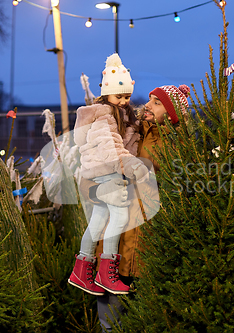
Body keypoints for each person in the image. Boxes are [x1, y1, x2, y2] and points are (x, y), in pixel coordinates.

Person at [80, 84, 191, 332]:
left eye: (157, 102)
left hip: (149, 241)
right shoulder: (128, 130)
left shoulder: (178, 145)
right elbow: (95, 164)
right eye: (150, 100)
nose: (147, 106)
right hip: (116, 235)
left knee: (145, 315)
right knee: (110, 310)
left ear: (172, 113)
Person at [68, 53, 150, 296]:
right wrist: (131, 165)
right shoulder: (103, 115)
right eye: (119, 96)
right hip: (107, 170)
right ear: (106, 94)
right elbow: (110, 144)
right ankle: (106, 271)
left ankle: (81, 271)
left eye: (127, 96)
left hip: (106, 171)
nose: (124, 101)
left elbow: (126, 143)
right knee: (119, 217)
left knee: (99, 220)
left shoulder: (120, 114)